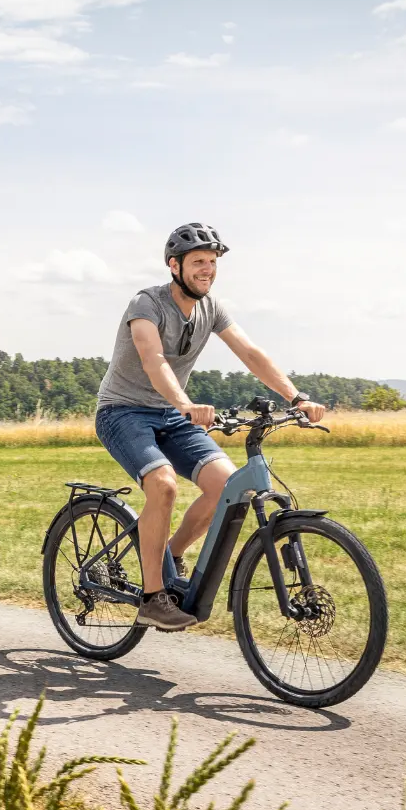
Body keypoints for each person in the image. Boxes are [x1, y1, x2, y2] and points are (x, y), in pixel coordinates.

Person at [95, 224, 327, 631]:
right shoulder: (146, 304)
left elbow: (251, 353)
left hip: (171, 415)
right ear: (174, 265)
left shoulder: (212, 309)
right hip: (123, 411)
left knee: (229, 488)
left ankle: (168, 554)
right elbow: (154, 360)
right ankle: (152, 598)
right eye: (198, 262)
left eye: (212, 262)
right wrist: (184, 403)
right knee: (163, 485)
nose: (207, 270)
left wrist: (296, 397)